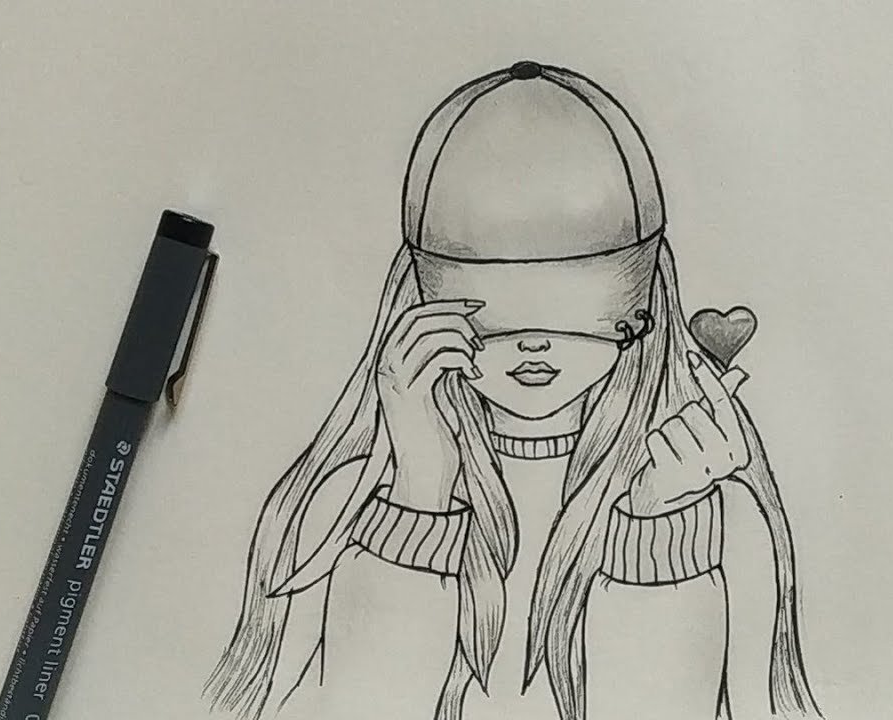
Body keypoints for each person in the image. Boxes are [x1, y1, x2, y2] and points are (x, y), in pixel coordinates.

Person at [206, 61, 820, 720]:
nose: (534, 344)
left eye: (576, 306)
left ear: (644, 298)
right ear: (421, 300)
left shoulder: (723, 522)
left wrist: (658, 537)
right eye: (490, 309)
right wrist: (418, 497)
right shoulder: (345, 504)